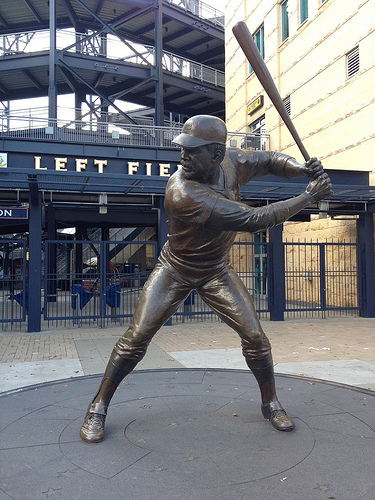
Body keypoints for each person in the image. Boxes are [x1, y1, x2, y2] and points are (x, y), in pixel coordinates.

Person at [80, 115, 333, 443]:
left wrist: (300, 170)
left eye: (192, 150)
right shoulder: (183, 192)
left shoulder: (231, 162)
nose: (182, 156)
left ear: (215, 154)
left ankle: (270, 401)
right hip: (176, 269)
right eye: (182, 149)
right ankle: (98, 405)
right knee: (137, 336)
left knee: (255, 337)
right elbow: (254, 219)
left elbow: (271, 160)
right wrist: (308, 196)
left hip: (216, 269)